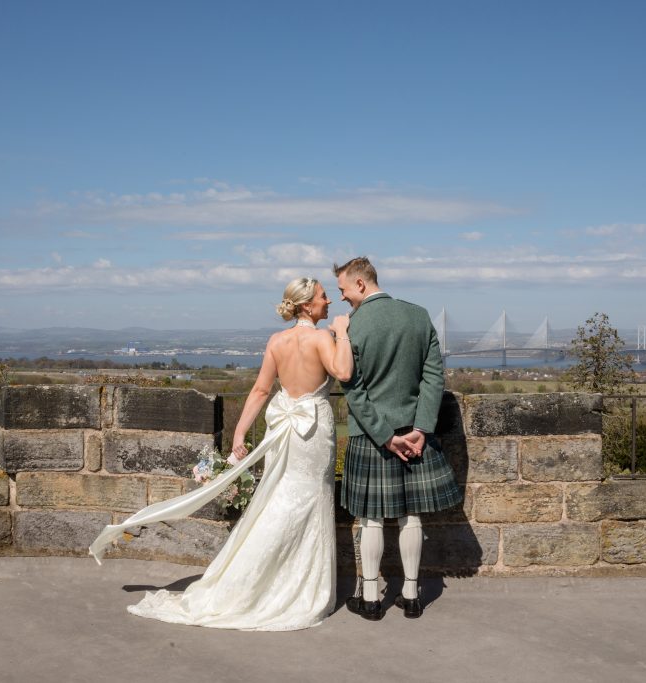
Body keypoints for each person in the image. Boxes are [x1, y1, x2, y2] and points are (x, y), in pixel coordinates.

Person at [88, 277, 352, 631]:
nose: (329, 302)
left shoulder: (277, 342)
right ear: (307, 305)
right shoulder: (324, 337)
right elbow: (344, 371)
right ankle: (292, 587)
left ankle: (257, 579)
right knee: (307, 501)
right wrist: (343, 331)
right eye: (323, 297)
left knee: (279, 501)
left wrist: (239, 432)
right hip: (312, 433)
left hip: (283, 428)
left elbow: (260, 390)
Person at [334, 257, 463, 621]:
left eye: (343, 289)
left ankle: (372, 598)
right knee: (411, 515)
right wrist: (420, 428)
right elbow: (433, 378)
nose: (341, 298)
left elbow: (352, 390)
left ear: (361, 284)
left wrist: (385, 436)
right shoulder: (419, 315)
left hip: (371, 438)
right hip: (416, 434)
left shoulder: (353, 326)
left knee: (371, 519)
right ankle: (411, 595)